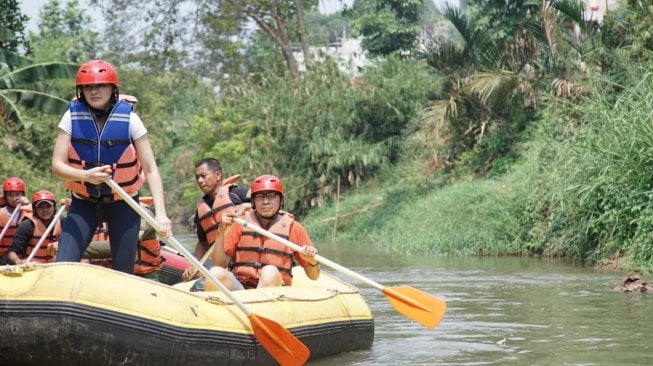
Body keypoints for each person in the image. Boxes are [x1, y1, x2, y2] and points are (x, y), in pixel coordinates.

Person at [51, 59, 172, 274]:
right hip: (84, 203)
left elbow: (151, 169)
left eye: (100, 86)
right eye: (88, 87)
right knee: (63, 266)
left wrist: (161, 215)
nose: (94, 91)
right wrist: (86, 175)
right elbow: (57, 166)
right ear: (81, 91)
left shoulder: (131, 119)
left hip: (123, 203)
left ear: (112, 89)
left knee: (123, 272)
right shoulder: (70, 116)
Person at [202, 174, 319, 291]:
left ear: (281, 200)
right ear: (252, 201)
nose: (266, 201)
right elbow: (219, 265)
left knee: (269, 272)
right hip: (242, 289)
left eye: (272, 196)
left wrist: (312, 262)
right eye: (260, 197)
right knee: (215, 273)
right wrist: (221, 231)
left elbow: (314, 276)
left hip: (276, 290)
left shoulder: (294, 228)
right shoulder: (240, 223)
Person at [180, 158, 249, 281]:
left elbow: (270, 207)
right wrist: (195, 265)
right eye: (197, 178)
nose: (200, 181)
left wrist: (246, 206)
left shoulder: (238, 194)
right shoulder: (201, 209)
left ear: (217, 175)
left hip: (245, 261)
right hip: (222, 265)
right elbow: (202, 243)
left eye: (203, 176)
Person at [6, 191, 62, 264]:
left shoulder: (62, 223)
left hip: (53, 266)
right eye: (40, 207)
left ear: (54, 208)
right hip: (33, 267)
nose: (45, 210)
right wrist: (18, 261)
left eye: (48, 206)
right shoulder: (27, 225)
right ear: (34, 209)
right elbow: (12, 253)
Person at [0, 177, 30, 258]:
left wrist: (27, 205)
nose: (14, 199)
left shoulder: (29, 212)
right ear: (5, 197)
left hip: (23, 257)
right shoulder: (1, 213)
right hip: (3, 257)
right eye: (10, 195)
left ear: (23, 195)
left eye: (17, 195)